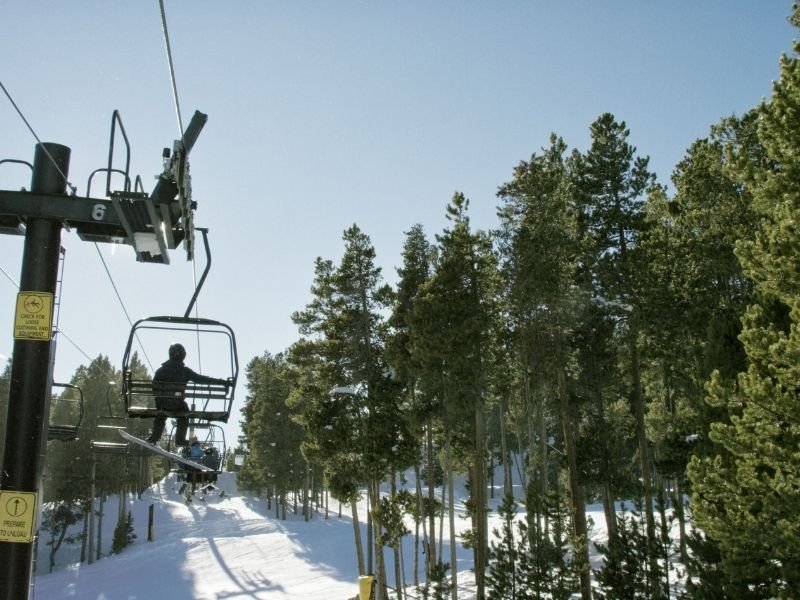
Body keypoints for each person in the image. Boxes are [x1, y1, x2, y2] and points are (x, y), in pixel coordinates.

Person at [146, 343, 229, 446]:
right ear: (183, 356)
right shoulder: (184, 371)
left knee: (161, 413)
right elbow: (201, 379)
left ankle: (155, 436)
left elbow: (155, 389)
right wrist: (222, 382)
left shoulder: (160, 371)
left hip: (163, 404)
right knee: (184, 413)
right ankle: (180, 439)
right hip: (177, 405)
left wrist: (160, 402)